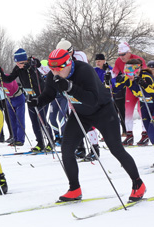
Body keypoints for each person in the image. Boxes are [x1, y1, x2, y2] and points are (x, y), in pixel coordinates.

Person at [35, 49, 145, 202]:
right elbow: (49, 93)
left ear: (69, 63)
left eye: (59, 68)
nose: (55, 72)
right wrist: (37, 102)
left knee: (116, 149)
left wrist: (70, 87)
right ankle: (74, 189)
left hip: (103, 111)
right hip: (81, 114)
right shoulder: (53, 75)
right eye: (52, 69)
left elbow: (92, 99)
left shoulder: (84, 70)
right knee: (67, 150)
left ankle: (138, 184)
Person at [2, 49, 51, 152]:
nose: (17, 65)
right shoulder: (18, 68)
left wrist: (31, 69)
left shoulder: (32, 66)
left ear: (24, 61)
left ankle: (51, 142)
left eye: (19, 63)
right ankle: (40, 143)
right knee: (34, 122)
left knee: (42, 120)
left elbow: (38, 79)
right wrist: (0, 75)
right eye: (16, 62)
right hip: (30, 98)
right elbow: (9, 79)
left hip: (41, 97)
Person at [112, 42, 149, 145]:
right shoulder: (118, 61)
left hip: (140, 88)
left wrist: (142, 81)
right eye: (119, 55)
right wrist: (110, 80)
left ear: (129, 52)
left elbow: (146, 72)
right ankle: (129, 136)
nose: (121, 57)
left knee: (142, 111)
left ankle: (145, 135)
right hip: (130, 88)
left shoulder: (138, 59)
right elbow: (114, 73)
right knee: (127, 112)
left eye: (123, 54)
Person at [122, 59, 154, 148]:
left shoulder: (147, 77)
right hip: (145, 105)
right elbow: (115, 85)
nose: (152, 71)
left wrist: (144, 85)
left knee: (152, 131)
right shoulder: (132, 78)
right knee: (151, 136)